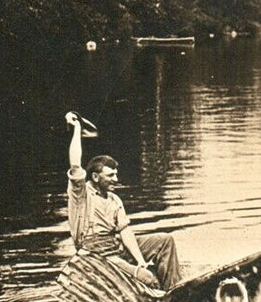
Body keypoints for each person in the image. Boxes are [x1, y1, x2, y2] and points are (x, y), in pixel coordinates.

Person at [65, 111, 180, 289]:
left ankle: (174, 291)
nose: (116, 180)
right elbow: (74, 164)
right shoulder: (81, 195)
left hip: (117, 248)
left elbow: (125, 231)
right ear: (95, 177)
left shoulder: (114, 199)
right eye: (110, 175)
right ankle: (158, 293)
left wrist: (141, 261)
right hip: (96, 257)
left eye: (116, 174)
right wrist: (77, 128)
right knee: (148, 279)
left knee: (165, 241)